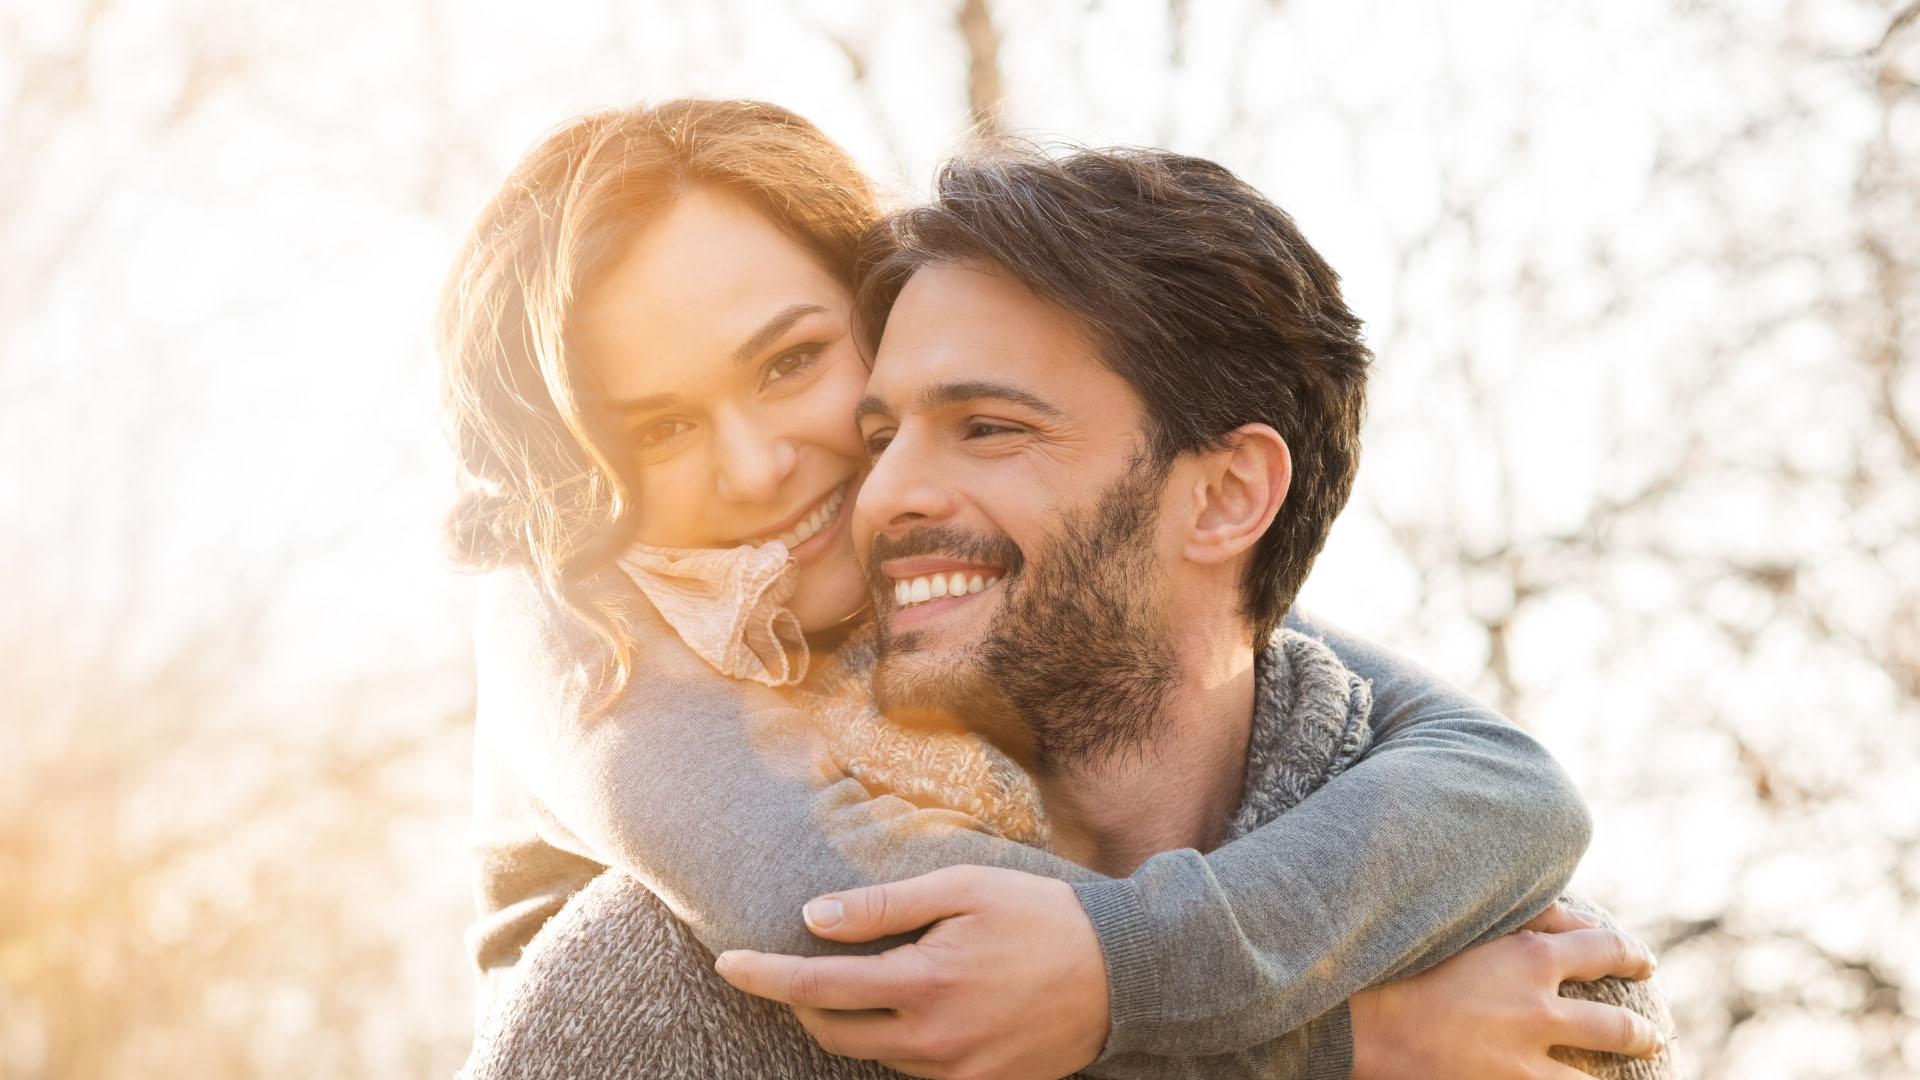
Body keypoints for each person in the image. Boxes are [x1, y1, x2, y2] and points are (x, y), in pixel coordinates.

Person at [438, 100, 1657, 1079]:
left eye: (793, 360)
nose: (758, 466)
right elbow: (884, 944)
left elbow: (1500, 781)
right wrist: (1348, 1043)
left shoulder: (946, 562)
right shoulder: (582, 621)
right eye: (653, 430)